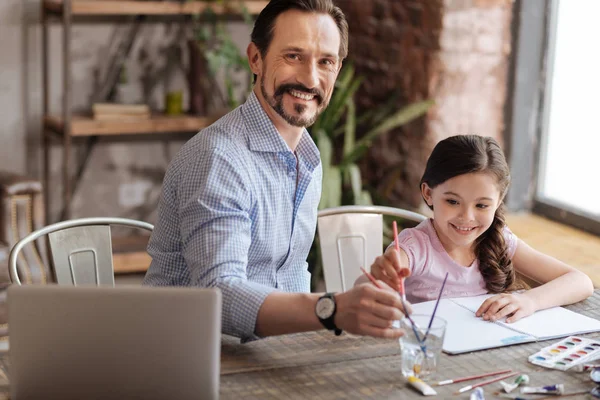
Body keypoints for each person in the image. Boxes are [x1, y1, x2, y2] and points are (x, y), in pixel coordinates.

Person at [144, 0, 408, 343]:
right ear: (256, 58)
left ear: (337, 70)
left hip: (270, 354)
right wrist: (332, 309)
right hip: (187, 356)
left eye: (325, 61)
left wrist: (366, 290)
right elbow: (219, 295)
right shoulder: (219, 159)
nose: (310, 78)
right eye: (293, 56)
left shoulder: (307, 157)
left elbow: (289, 272)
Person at [365, 134, 593, 323]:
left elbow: (580, 281)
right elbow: (367, 291)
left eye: (482, 205)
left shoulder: (501, 239)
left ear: (499, 200)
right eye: (452, 202)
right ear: (428, 193)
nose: (467, 217)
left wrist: (529, 301)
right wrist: (379, 277)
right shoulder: (414, 247)